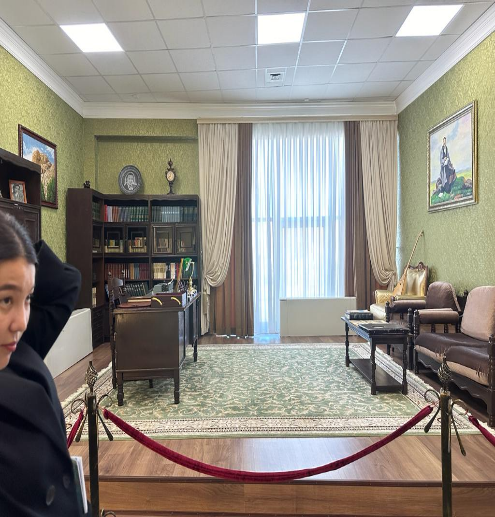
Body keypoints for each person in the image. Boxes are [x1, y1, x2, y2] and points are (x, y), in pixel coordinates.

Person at [0, 211, 87, 515]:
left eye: (28, 299)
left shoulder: (15, 349)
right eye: (6, 300)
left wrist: (17, 243)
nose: (22, 322)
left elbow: (68, 282)